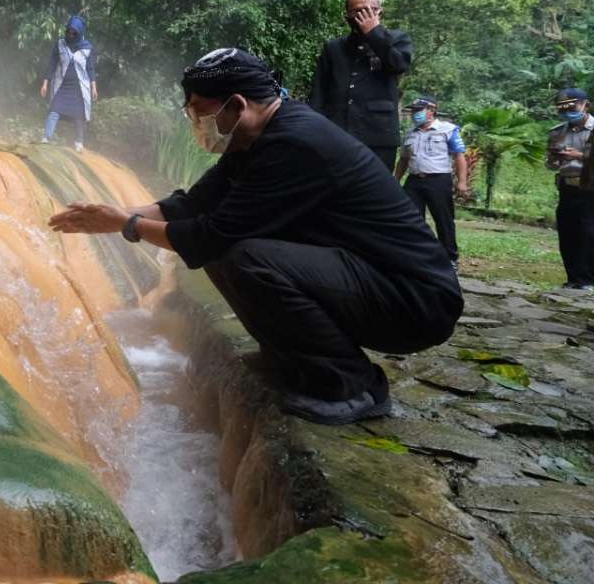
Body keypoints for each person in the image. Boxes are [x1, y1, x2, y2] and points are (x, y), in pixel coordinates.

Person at [48, 48, 462, 425]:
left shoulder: (296, 144)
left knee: (241, 256)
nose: (195, 122)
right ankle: (294, 362)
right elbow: (193, 205)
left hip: (414, 300)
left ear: (238, 105)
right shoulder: (254, 141)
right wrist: (111, 215)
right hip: (367, 279)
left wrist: (126, 225)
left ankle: (353, 385)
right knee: (226, 250)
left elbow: (208, 236)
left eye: (198, 110)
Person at [309, 0, 413, 171]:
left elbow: (398, 65)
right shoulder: (334, 47)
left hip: (379, 136)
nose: (364, 14)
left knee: (377, 193)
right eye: (357, 10)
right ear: (347, 15)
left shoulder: (397, 39)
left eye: (370, 9)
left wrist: (374, 33)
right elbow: (319, 92)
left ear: (380, 11)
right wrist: (315, 129)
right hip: (336, 134)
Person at [394, 95, 470, 271]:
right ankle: (416, 255)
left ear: (432, 111)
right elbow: (404, 160)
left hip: (439, 180)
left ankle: (450, 257)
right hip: (414, 181)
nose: (415, 114)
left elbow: (459, 156)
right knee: (411, 219)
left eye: (418, 111)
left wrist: (462, 182)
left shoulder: (447, 130)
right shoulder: (410, 133)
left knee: (443, 220)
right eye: (413, 111)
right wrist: (396, 180)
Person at [546, 87, 594, 291]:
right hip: (567, 187)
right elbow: (549, 164)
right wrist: (555, 160)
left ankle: (587, 280)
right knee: (567, 233)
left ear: (586, 105)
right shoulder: (558, 132)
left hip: (590, 188)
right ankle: (573, 278)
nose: (567, 112)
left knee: (588, 233)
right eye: (562, 109)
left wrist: (579, 156)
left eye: (572, 108)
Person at [40, 15, 97, 152]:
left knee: (79, 115)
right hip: (62, 86)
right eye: (69, 32)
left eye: (74, 33)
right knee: (54, 110)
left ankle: (79, 142)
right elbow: (52, 64)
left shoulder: (87, 48)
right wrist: (45, 83)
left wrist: (93, 87)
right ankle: (46, 138)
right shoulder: (60, 44)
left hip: (79, 88)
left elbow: (90, 69)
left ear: (80, 33)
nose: (71, 35)